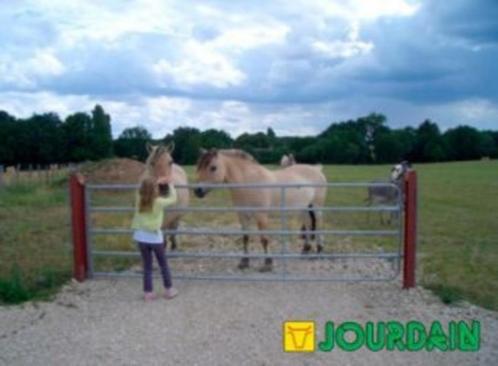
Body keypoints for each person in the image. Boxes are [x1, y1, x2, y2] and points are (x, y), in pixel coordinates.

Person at [131, 176, 178, 301]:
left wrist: (153, 182)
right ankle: (169, 290)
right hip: (155, 239)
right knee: (163, 265)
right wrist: (170, 184)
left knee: (147, 266)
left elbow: (139, 190)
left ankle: (148, 293)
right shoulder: (158, 202)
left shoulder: (139, 199)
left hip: (141, 237)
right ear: (155, 190)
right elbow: (173, 198)